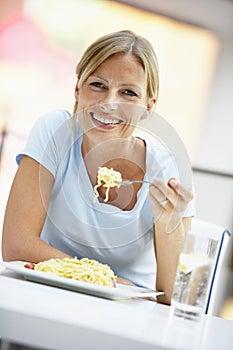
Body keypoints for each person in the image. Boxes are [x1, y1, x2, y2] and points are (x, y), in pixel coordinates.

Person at [2, 29, 194, 305]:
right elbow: (16, 245)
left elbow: (175, 295)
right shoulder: (54, 131)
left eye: (128, 92)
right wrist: (105, 279)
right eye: (98, 85)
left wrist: (168, 221)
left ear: (148, 107)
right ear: (78, 89)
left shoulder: (167, 167)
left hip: (128, 312)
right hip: (43, 296)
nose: (109, 103)